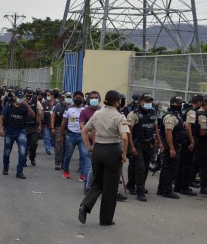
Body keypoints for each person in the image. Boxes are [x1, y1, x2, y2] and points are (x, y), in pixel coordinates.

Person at [79, 90, 129, 225]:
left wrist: (88, 147)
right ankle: (106, 219)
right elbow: (124, 137)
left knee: (97, 182)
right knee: (110, 187)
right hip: (112, 150)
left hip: (98, 149)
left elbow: (84, 130)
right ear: (116, 101)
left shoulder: (97, 113)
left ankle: (85, 206)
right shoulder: (119, 116)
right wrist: (124, 154)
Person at [126, 93, 160, 202]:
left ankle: (134, 185)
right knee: (140, 167)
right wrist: (131, 146)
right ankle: (139, 192)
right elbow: (129, 131)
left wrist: (158, 142)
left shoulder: (152, 113)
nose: (148, 103)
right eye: (146, 101)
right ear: (140, 101)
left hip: (148, 143)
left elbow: (155, 128)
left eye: (150, 101)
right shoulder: (133, 114)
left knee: (144, 166)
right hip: (137, 144)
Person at [0, 90, 34, 178]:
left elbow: (32, 115)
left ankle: (19, 172)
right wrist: (0, 129)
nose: (20, 100)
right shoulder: (9, 106)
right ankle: (6, 167)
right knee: (7, 152)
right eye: (19, 98)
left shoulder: (24, 106)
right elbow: (1, 117)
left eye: (22, 98)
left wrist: (27, 105)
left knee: (22, 152)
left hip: (20, 131)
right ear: (15, 97)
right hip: (10, 131)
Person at [157, 96, 186, 199]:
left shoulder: (176, 115)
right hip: (171, 145)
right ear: (172, 104)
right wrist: (172, 148)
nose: (180, 105)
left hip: (174, 144)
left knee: (167, 167)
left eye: (180, 103)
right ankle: (167, 190)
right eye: (178, 103)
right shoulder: (170, 116)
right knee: (170, 168)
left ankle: (161, 189)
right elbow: (168, 132)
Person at [175, 95, 201, 195]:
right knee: (187, 165)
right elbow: (188, 127)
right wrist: (192, 141)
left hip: (182, 140)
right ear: (198, 102)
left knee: (181, 164)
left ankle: (178, 186)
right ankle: (184, 187)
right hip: (187, 141)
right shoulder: (192, 112)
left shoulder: (184, 109)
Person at [61, 91, 89, 182]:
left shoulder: (85, 110)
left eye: (80, 97)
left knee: (84, 155)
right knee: (68, 154)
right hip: (70, 135)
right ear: (73, 99)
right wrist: (60, 135)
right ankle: (65, 171)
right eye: (76, 97)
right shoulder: (69, 110)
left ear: (83, 99)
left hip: (82, 135)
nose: (78, 99)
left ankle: (83, 174)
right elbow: (63, 123)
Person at [24, 90, 43, 167]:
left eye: (30, 93)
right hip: (24, 127)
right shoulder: (22, 101)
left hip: (33, 127)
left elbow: (39, 115)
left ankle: (32, 158)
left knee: (34, 144)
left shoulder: (36, 102)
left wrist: (39, 126)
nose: (29, 95)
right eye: (27, 93)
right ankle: (23, 160)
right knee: (24, 145)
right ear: (25, 94)